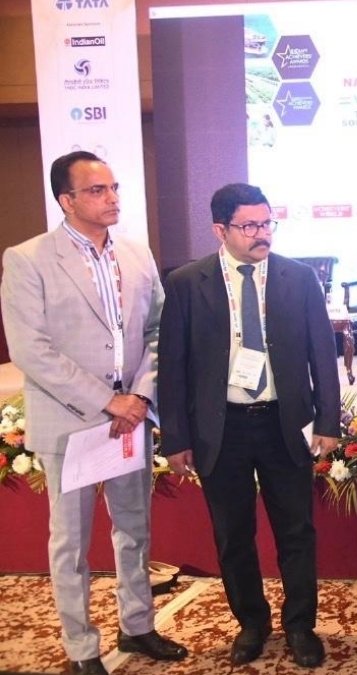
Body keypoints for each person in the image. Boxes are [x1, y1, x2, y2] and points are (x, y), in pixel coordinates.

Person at [0, 151, 188, 675]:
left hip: (130, 420)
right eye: (97, 190)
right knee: (71, 543)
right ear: (67, 200)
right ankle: (81, 647)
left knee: (134, 529)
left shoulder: (135, 253)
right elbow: (31, 350)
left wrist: (141, 396)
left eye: (114, 188)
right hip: (71, 422)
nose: (112, 198)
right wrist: (107, 400)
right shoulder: (29, 259)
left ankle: (138, 625)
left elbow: (160, 331)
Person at [158, 183, 341, 668]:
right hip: (222, 429)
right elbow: (172, 365)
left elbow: (322, 354)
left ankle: (300, 625)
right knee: (233, 534)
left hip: (284, 422)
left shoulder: (298, 278)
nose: (263, 234)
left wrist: (328, 419)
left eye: (267, 222)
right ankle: (252, 624)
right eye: (250, 226)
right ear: (220, 230)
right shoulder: (186, 282)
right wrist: (176, 437)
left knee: (296, 531)